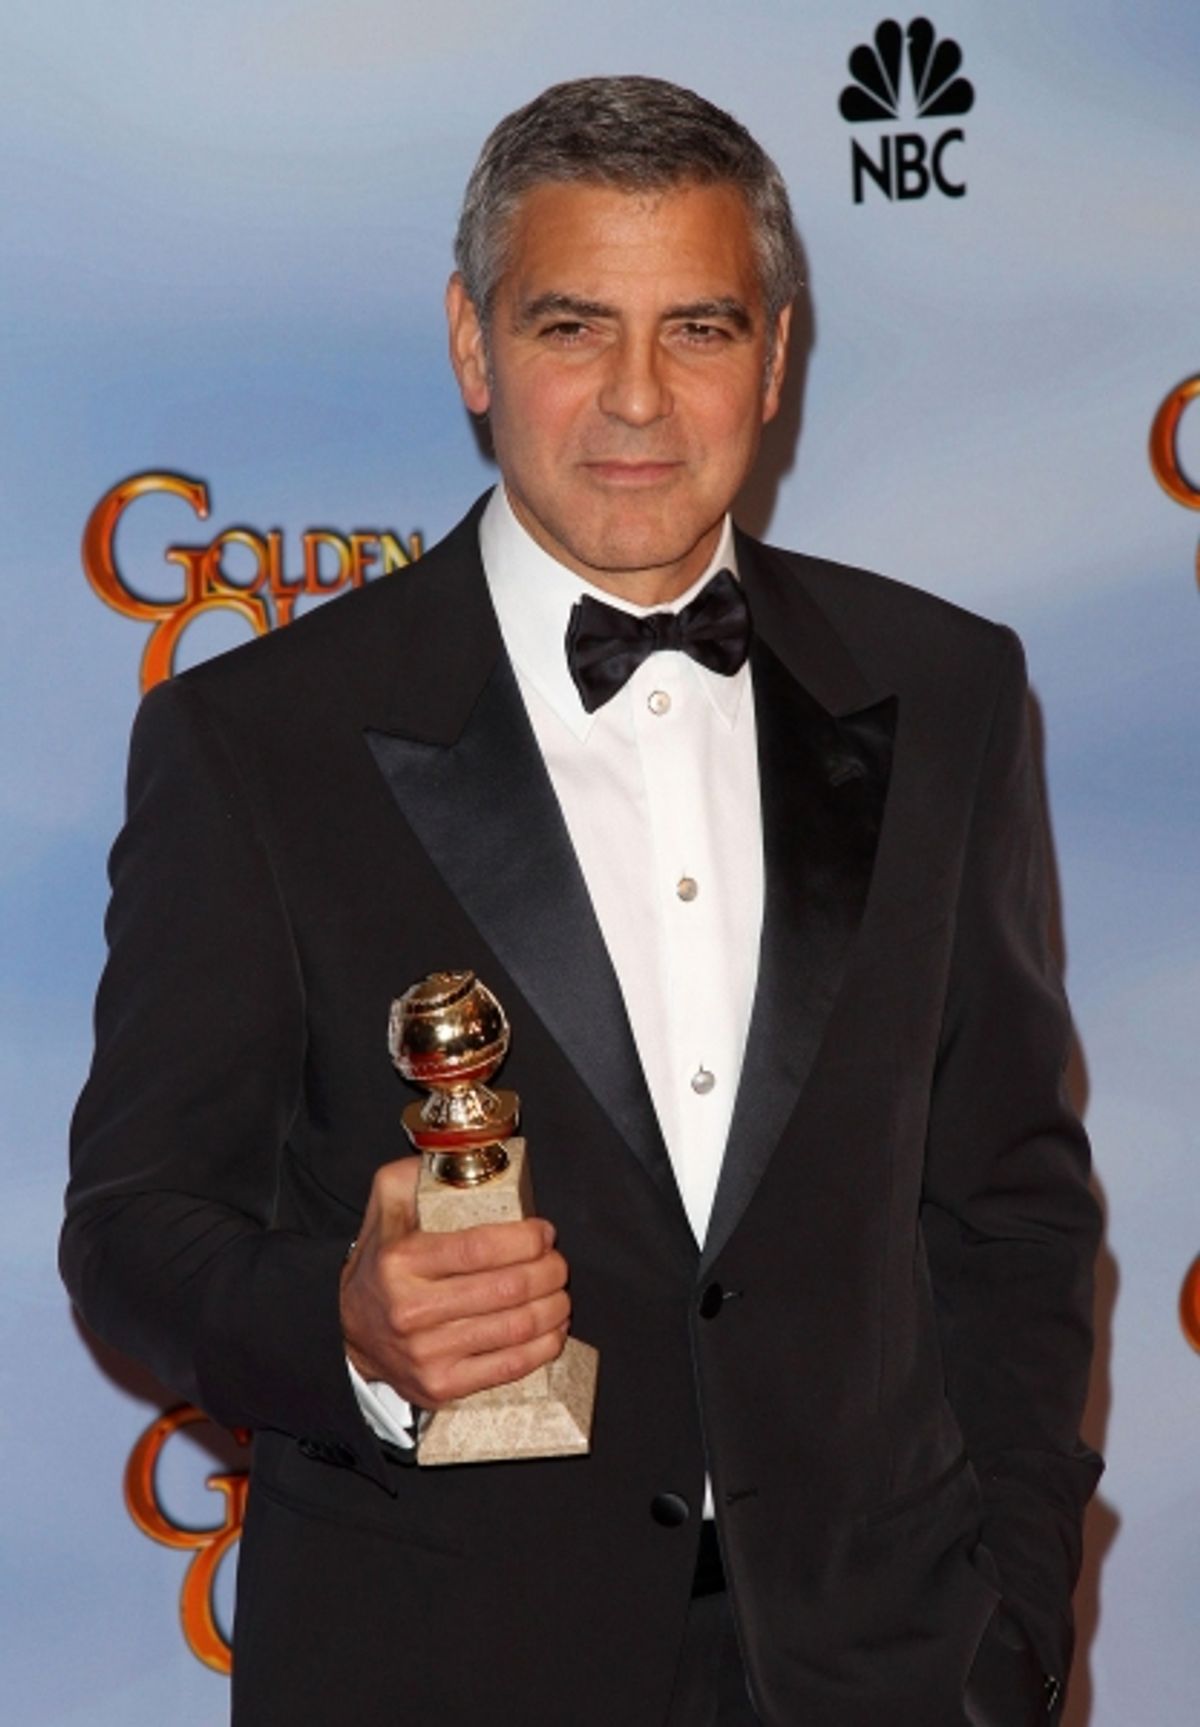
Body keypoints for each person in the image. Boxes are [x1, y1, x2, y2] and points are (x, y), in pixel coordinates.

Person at [62, 75, 1102, 1727]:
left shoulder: (951, 690)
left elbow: (1010, 1214)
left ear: (774, 358)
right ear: (475, 351)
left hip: (887, 1671)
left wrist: (1014, 1626)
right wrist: (344, 1322)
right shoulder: (255, 742)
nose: (637, 400)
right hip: (444, 1671)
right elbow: (133, 1239)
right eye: (570, 328)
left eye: (696, 327)